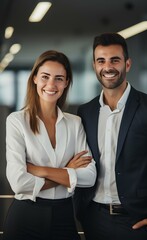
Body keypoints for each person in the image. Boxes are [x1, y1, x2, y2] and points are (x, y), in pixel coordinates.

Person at [74, 32, 147, 240]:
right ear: (94, 66)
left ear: (127, 64)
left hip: (139, 222)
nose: (108, 67)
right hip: (94, 218)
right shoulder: (85, 112)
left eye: (115, 60)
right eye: (101, 61)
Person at [3, 50, 96, 240]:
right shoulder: (17, 121)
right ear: (35, 78)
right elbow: (18, 183)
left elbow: (89, 176)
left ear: (67, 82)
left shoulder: (74, 123)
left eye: (59, 78)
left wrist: (40, 170)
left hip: (64, 215)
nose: (51, 84)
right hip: (25, 215)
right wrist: (67, 171)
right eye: (45, 76)